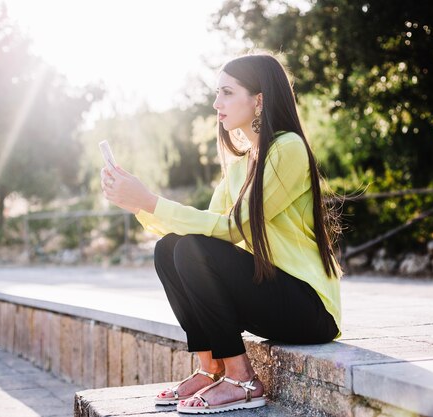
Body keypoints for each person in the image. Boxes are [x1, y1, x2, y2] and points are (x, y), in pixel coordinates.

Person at [101, 52, 343, 414]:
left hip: (310, 310)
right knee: (170, 249)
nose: (217, 104)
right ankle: (210, 366)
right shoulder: (240, 166)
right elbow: (204, 229)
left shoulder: (288, 149)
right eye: (217, 94)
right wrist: (137, 204)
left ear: (258, 100)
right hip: (272, 301)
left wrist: (151, 201)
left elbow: (232, 229)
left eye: (227, 92)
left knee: (189, 249)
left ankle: (242, 379)